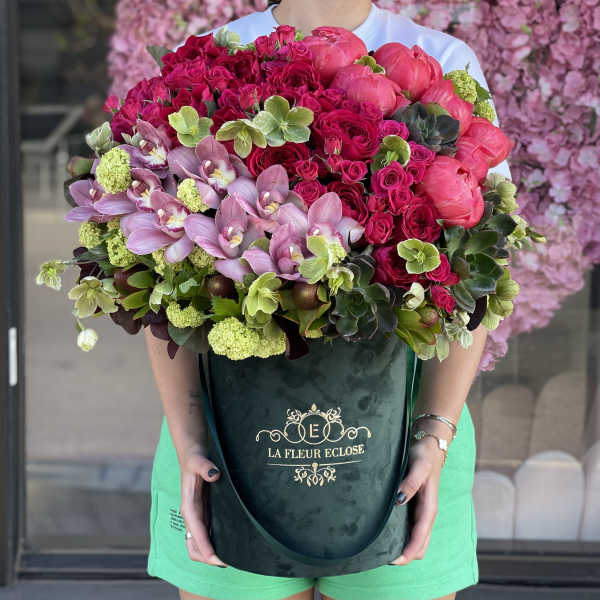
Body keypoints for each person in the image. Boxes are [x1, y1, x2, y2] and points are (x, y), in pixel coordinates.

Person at [145, 2, 511, 599]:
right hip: (227, 441)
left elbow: (478, 273)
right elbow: (161, 284)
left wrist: (435, 435)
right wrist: (190, 440)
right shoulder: (212, 60)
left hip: (404, 443)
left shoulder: (442, 63)